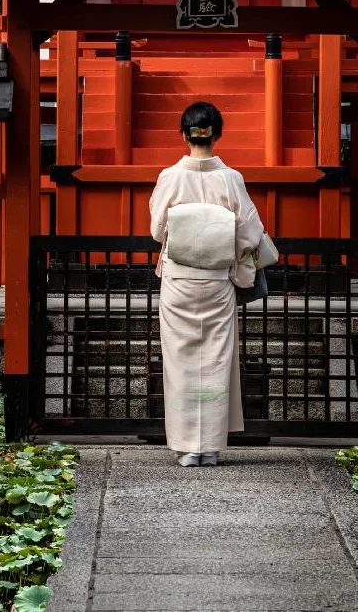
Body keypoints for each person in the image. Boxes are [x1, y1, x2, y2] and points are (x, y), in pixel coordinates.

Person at [149, 102, 264, 467]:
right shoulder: (231, 179)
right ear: (217, 133)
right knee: (215, 358)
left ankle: (186, 448)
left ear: (184, 134)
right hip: (216, 280)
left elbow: (156, 230)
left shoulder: (170, 176)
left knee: (181, 360)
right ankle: (210, 447)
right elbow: (249, 233)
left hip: (180, 280)